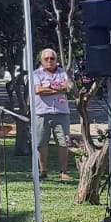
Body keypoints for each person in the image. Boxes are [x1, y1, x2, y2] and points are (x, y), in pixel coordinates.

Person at [32, 48, 73, 181]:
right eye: (46, 59)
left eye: (52, 58)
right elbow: (38, 90)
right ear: (42, 60)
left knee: (64, 142)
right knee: (41, 143)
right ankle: (43, 170)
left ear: (56, 60)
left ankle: (63, 171)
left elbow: (67, 87)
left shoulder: (63, 73)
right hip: (42, 113)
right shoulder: (36, 74)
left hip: (61, 112)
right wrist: (58, 89)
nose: (49, 61)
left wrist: (49, 88)